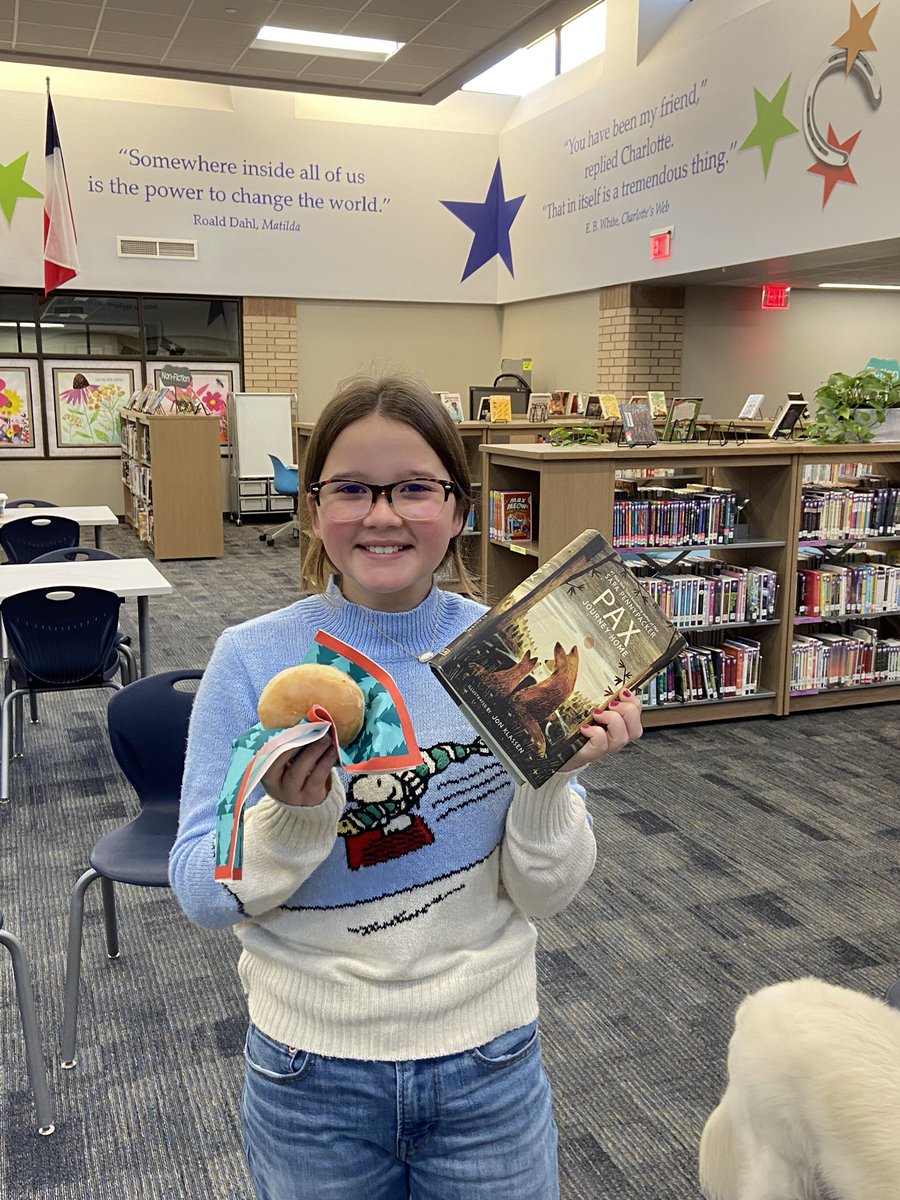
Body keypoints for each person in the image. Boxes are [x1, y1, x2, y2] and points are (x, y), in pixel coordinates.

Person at [170, 375, 643, 1200]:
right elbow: (203, 895)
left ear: (459, 510)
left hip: (489, 1061)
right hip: (308, 1073)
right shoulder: (252, 658)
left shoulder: (508, 651)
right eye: (351, 488)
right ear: (314, 507)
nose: (382, 515)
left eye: (416, 488)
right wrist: (292, 818)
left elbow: (544, 896)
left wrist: (551, 781)